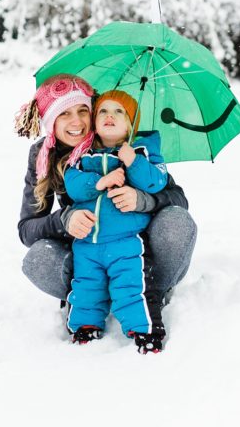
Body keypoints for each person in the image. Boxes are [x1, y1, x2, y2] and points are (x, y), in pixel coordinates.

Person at [15, 75, 196, 342]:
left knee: (177, 220)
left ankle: (150, 291)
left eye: (83, 111)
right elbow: (27, 230)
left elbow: (178, 198)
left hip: (136, 248)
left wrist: (141, 199)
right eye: (64, 114)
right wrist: (66, 219)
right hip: (88, 249)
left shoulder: (119, 141)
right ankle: (90, 297)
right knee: (38, 259)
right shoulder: (43, 155)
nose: (76, 122)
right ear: (50, 121)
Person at [62, 90, 167, 353]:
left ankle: (144, 330)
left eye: (120, 111)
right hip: (87, 241)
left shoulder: (141, 152)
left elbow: (156, 182)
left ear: (131, 124)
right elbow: (72, 186)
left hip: (126, 241)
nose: (110, 116)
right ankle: (85, 325)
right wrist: (99, 182)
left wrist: (133, 162)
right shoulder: (83, 156)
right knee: (86, 285)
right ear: (95, 122)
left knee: (130, 285)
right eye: (104, 111)